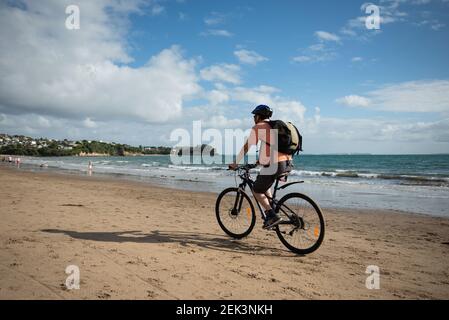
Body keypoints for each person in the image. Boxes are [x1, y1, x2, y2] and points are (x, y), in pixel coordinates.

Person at [229, 105, 293, 229]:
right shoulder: (274, 127)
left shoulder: (259, 127)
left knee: (256, 189)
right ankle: (273, 210)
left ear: (258, 116)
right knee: (264, 184)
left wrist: (235, 163)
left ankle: (271, 215)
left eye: (254, 116)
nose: (254, 118)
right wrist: (259, 161)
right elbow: (271, 148)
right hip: (287, 163)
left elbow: (247, 147)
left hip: (275, 164)